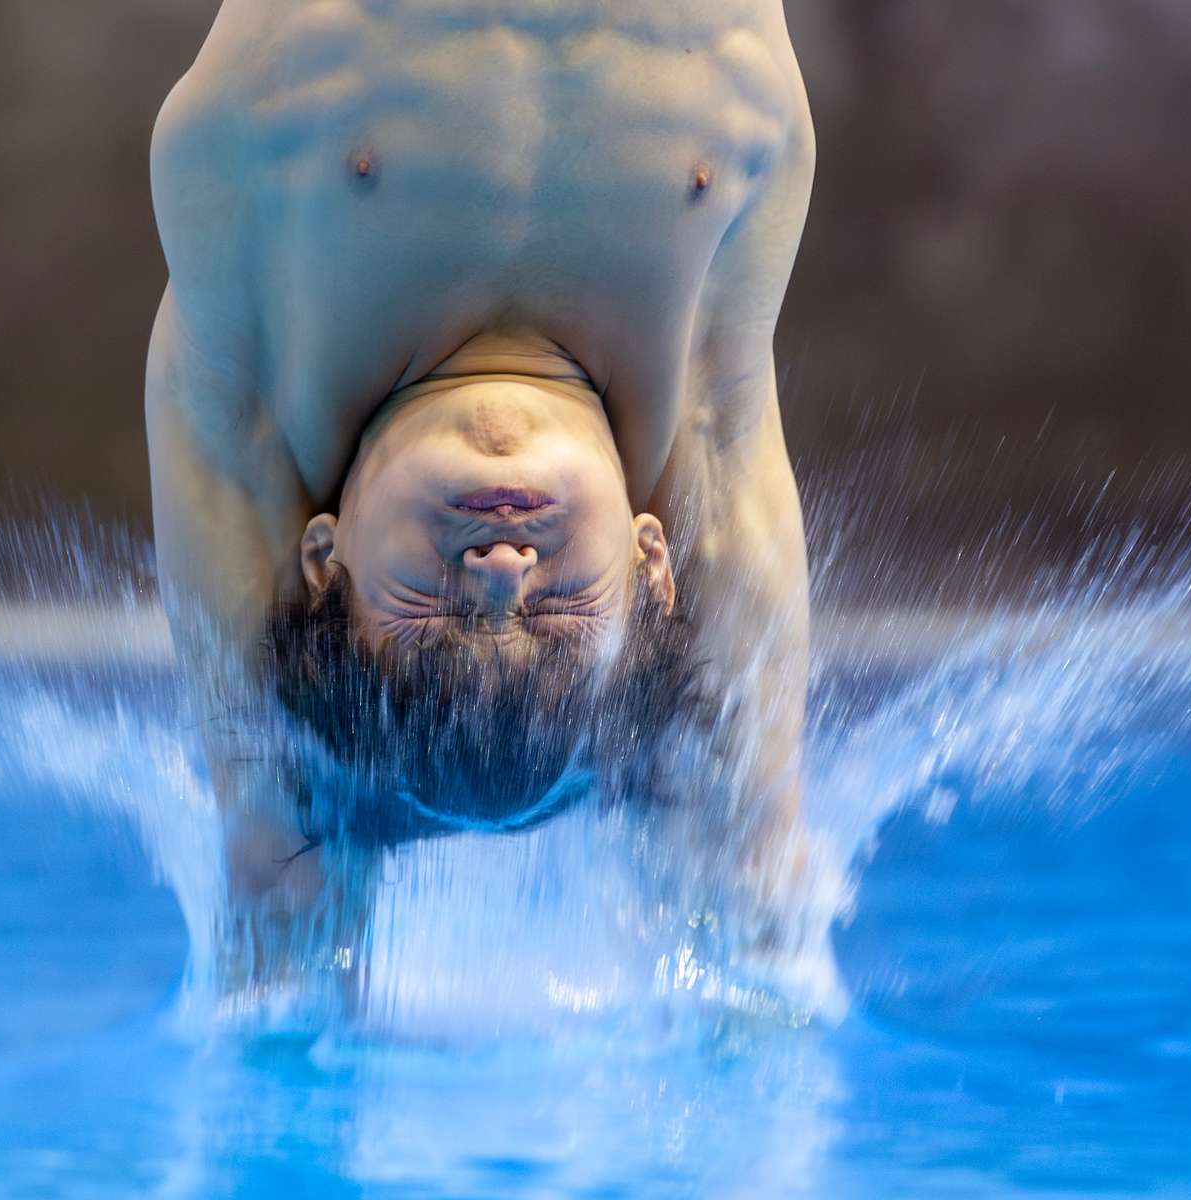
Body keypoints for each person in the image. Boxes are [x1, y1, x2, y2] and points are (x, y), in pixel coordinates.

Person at [146, 0, 814, 932]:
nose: (501, 574)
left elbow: (276, 858)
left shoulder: (258, 377)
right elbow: (753, 861)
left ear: (321, 560)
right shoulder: (706, 422)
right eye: (560, 612)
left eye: (435, 613)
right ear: (649, 561)